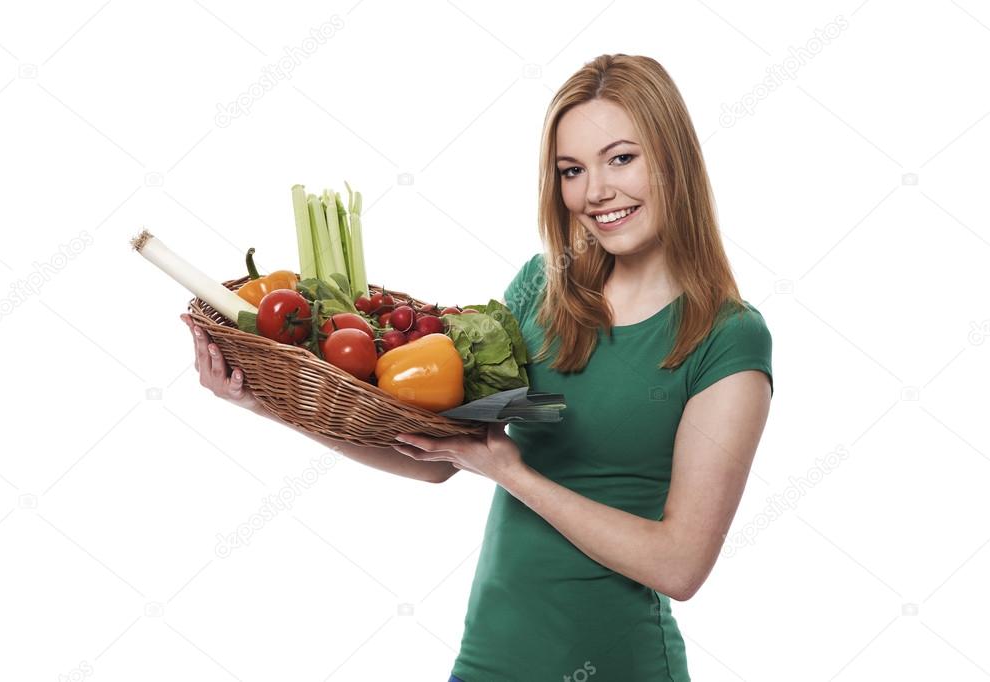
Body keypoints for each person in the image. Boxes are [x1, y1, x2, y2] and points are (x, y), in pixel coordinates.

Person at [185, 52, 773, 681]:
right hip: (487, 664)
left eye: (621, 158)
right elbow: (437, 456)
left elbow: (680, 566)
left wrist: (513, 474)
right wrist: (267, 401)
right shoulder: (541, 290)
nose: (596, 191)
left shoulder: (728, 337)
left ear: (673, 158)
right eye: (572, 170)